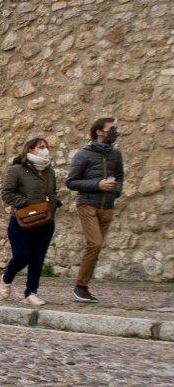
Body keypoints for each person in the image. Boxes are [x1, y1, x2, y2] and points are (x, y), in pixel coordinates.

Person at [65, 117, 124, 303]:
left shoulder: (116, 154)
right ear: (99, 131)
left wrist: (116, 191)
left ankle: (83, 287)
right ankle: (80, 287)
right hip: (87, 204)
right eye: (111, 128)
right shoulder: (83, 154)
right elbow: (71, 182)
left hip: (107, 206)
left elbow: (120, 177)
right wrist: (98, 184)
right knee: (95, 243)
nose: (115, 132)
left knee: (96, 248)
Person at [0, 138, 61, 306]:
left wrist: (53, 206)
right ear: (31, 149)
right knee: (22, 255)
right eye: (41, 147)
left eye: (46, 147)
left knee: (37, 258)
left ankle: (31, 292)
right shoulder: (17, 170)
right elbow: (6, 193)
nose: (45, 150)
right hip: (22, 220)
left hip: (45, 221)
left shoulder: (49, 172)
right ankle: (7, 278)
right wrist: (26, 204)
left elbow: (53, 193)